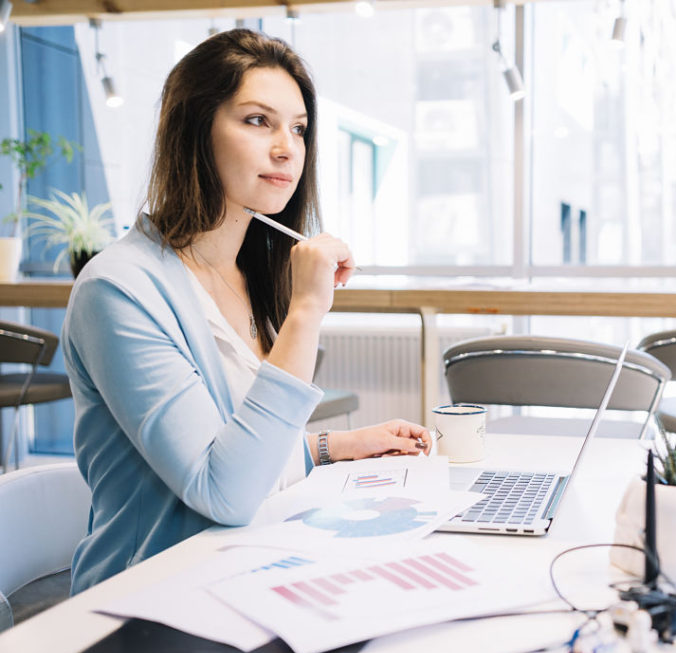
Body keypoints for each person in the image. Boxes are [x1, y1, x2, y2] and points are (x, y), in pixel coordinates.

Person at [62, 29, 431, 594]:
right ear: (195, 130)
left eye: (299, 128)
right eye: (258, 120)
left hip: (251, 569)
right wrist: (307, 311)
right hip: (148, 600)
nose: (287, 147)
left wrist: (335, 447)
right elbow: (223, 490)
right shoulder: (118, 289)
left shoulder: (252, 274)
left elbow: (242, 451)